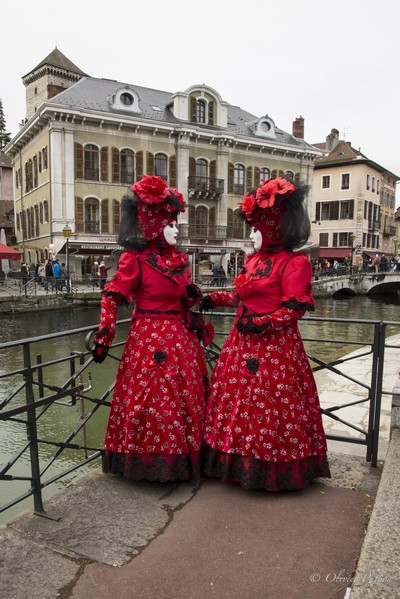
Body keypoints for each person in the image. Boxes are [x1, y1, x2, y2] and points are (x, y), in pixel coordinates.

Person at [200, 177, 330, 492]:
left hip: (275, 349)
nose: (252, 235)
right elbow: (239, 297)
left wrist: (264, 323)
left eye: (257, 229)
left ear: (273, 228)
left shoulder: (294, 262)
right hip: (240, 345)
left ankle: (271, 470)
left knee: (269, 406)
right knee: (238, 405)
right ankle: (236, 463)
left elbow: (294, 308)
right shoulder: (254, 260)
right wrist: (211, 298)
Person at [92, 175, 213, 482]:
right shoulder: (136, 260)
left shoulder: (178, 262)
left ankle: (185, 459)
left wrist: (194, 298)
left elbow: (186, 297)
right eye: (169, 224)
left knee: (184, 399)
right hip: (148, 341)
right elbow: (112, 295)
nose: (175, 230)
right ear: (154, 226)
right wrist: (105, 335)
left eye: (175, 224)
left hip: (182, 342)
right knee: (153, 398)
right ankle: (149, 461)